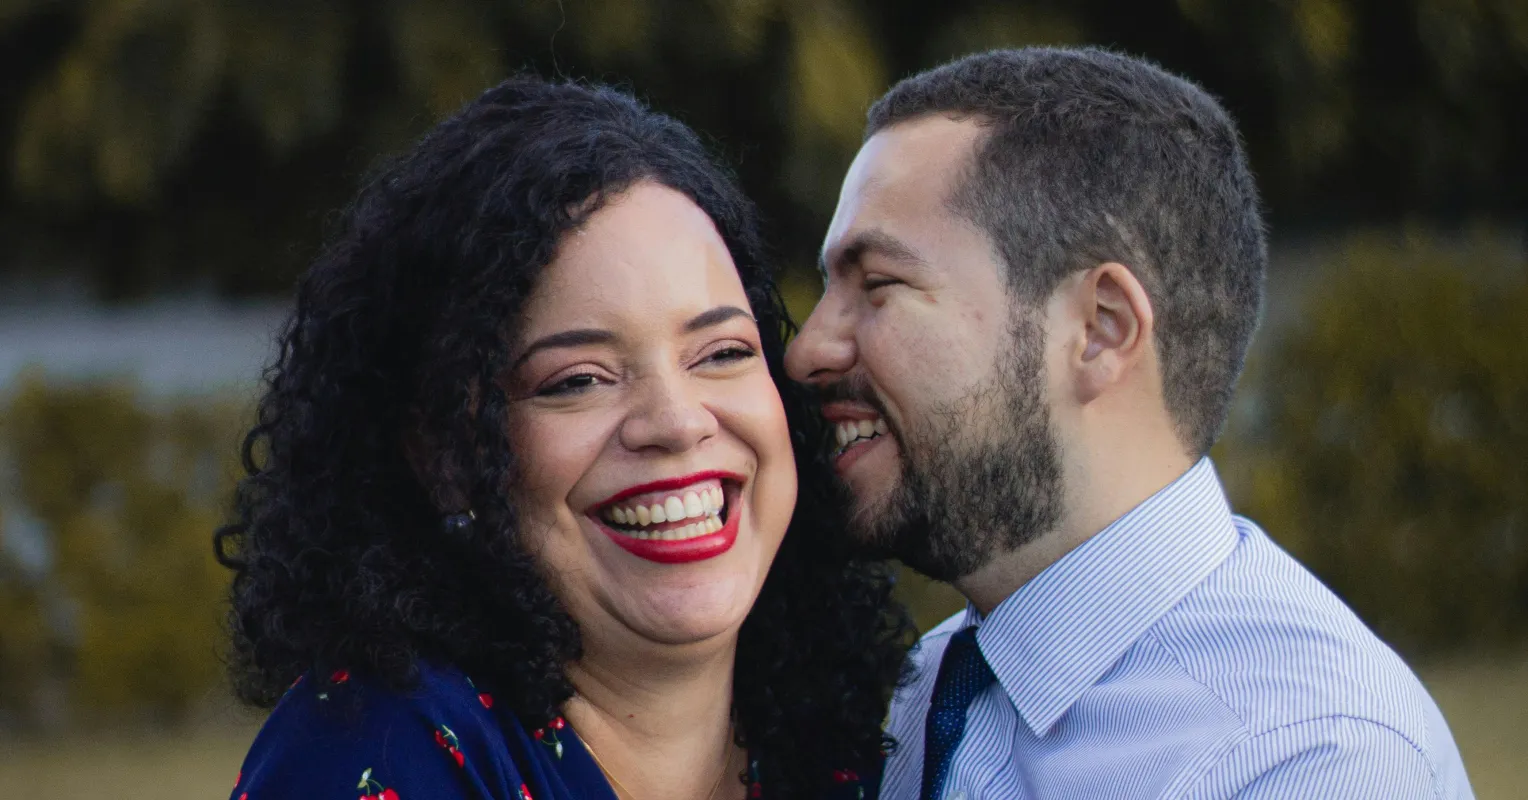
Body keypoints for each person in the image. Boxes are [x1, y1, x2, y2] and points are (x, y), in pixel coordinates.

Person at [786, 47, 1475, 799]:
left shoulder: (1306, 756)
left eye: (879, 283)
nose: (807, 349)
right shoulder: (927, 690)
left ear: (1101, 330)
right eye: (831, 287)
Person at [215, 76, 908, 800]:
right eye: (578, 379)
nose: (676, 423)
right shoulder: (375, 757)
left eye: (722, 353)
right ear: (446, 455)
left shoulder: (867, 751)